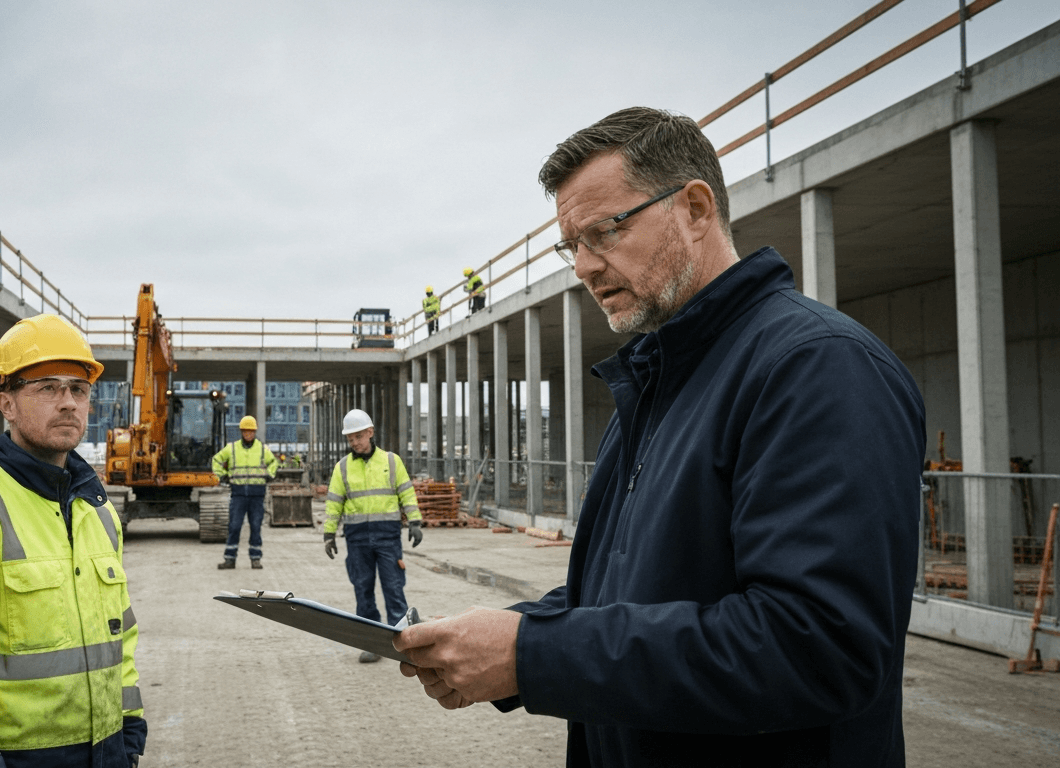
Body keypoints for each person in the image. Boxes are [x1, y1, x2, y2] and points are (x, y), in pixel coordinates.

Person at [393, 107, 925, 766]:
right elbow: (626, 594)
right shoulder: (656, 385)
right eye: (570, 246)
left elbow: (817, 647)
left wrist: (531, 655)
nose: (585, 267)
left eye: (605, 232)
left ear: (696, 208)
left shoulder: (815, 367)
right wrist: (510, 636)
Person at [0, 313, 146, 768]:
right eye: (48, 388)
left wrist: (130, 726)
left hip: (108, 753)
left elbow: (119, 635)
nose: (68, 403)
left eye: (78, 390)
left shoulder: (97, 512)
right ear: (7, 403)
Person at [323, 409, 423, 663]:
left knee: (393, 587)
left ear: (370, 432)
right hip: (357, 539)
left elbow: (406, 493)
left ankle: (404, 643)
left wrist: (414, 522)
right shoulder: (342, 468)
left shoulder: (391, 461)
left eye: (358, 436)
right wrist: (329, 534)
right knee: (363, 590)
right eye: (350, 439)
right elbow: (334, 502)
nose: (355, 442)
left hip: (388, 537)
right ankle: (372, 644)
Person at [212, 413, 277, 569]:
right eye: (245, 431)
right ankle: (230, 559)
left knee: (255, 526)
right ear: (241, 432)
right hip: (238, 494)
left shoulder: (262, 450)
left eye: (251, 431)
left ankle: (255, 558)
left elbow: (273, 463)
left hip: (256, 495)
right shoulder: (232, 449)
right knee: (234, 526)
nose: (248, 434)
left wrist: (269, 474)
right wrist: (223, 476)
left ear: (255, 432)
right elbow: (216, 460)